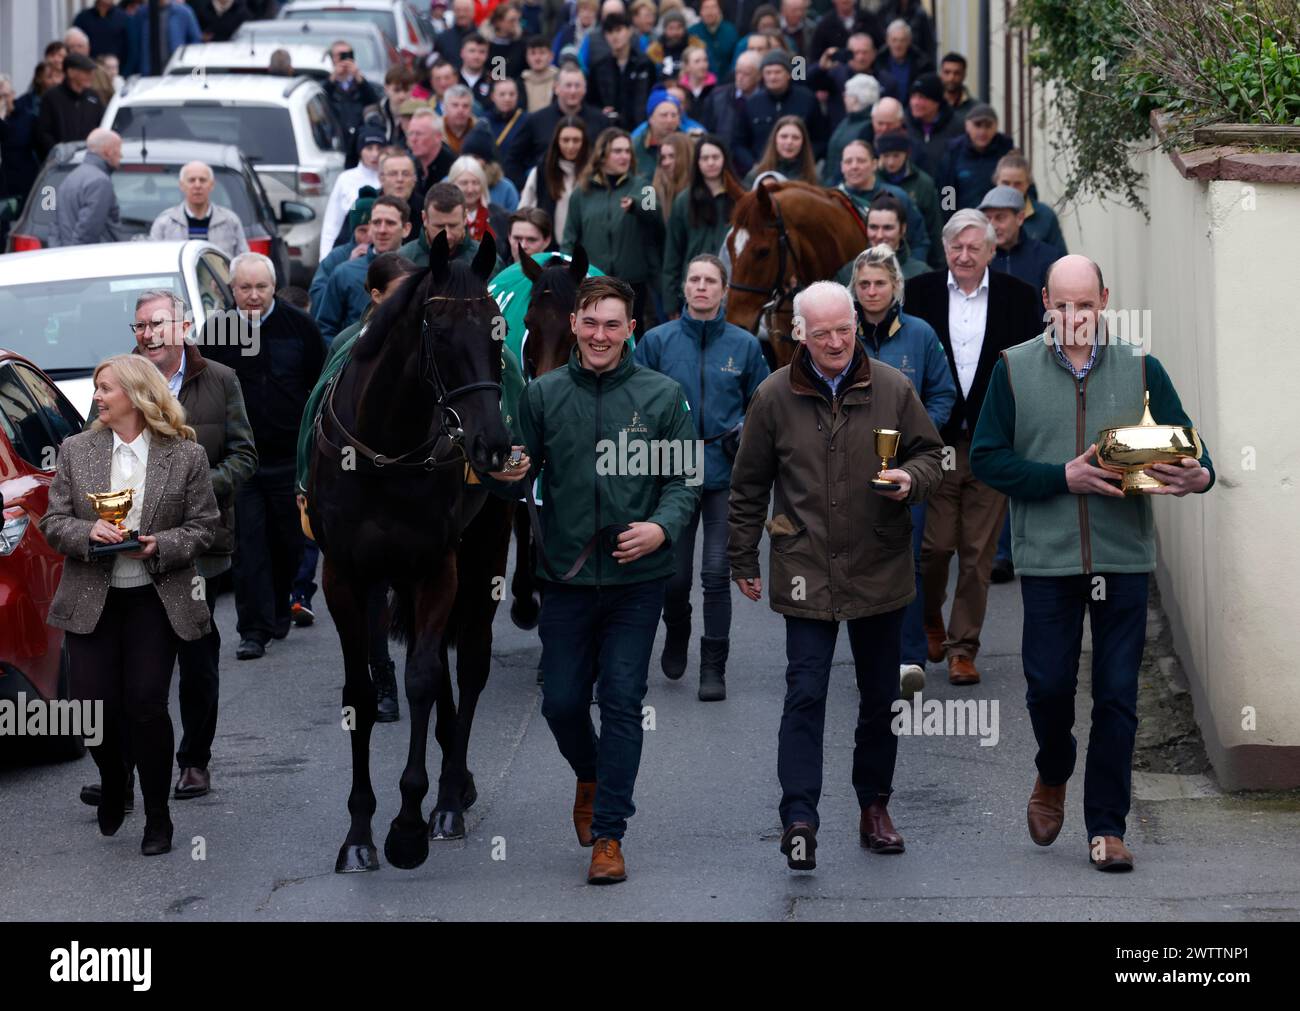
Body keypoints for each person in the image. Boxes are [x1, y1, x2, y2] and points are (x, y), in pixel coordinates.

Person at [970, 254, 1215, 871]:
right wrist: (1064, 477)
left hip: (1123, 559)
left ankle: (1106, 828)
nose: (1075, 317)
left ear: (1104, 300)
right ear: (1046, 303)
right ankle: (1053, 768)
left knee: (1117, 696)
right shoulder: (1013, 369)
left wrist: (1198, 474)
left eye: (1086, 304)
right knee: (1048, 686)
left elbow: (1187, 442)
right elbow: (987, 460)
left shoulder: (1141, 367)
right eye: (1063, 304)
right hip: (1049, 561)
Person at [485, 275, 701, 885]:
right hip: (566, 576)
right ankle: (591, 773)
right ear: (575, 325)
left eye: (613, 324)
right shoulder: (544, 395)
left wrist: (661, 528)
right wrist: (508, 469)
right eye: (591, 322)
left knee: (624, 702)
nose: (600, 334)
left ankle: (609, 835)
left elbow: (684, 480)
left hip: (638, 579)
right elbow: (519, 468)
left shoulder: (662, 396)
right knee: (560, 703)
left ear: (630, 329)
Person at [728, 280, 944, 871]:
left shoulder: (893, 389)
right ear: (799, 333)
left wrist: (911, 481)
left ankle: (875, 808)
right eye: (820, 332)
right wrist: (742, 557)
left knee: (880, 699)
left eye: (843, 329)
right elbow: (747, 486)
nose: (834, 341)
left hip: (879, 563)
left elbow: (933, 456)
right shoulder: (773, 397)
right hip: (805, 566)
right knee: (805, 694)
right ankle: (799, 816)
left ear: (856, 324)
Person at [40, 354, 219, 857]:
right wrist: (86, 531)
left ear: (137, 395)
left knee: (145, 705)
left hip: (155, 599)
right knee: (92, 710)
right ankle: (116, 779)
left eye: (105, 388)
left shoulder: (184, 455)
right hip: (92, 597)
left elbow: (204, 526)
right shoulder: (76, 450)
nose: (96, 396)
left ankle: (158, 816)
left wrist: (158, 544)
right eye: (96, 388)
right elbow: (53, 522)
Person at [902, 209, 1042, 685]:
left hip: (992, 443)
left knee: (977, 552)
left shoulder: (1019, 300)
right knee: (934, 548)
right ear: (944, 250)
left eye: (973, 247)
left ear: (991, 251)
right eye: (956, 248)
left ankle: (964, 648)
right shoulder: (917, 295)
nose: (964, 256)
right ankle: (930, 619)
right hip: (933, 443)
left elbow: (1030, 370)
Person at [133, 290, 256, 799]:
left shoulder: (220, 379)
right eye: (139, 326)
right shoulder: (122, 380)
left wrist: (199, 490)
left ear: (183, 327)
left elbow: (245, 457)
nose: (148, 334)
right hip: (138, 544)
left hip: (201, 545)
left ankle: (195, 761)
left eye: (157, 323)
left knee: (196, 655)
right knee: (139, 659)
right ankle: (129, 769)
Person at [635, 254, 767, 697]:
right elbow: (634, 399)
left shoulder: (745, 345)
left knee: (715, 572)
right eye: (694, 279)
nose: (702, 287)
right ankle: (677, 630)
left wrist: (746, 430)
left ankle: (714, 667)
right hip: (671, 471)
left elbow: (763, 405)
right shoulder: (656, 341)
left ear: (724, 289)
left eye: (711, 280)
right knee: (673, 577)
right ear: (685, 288)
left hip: (725, 472)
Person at [203, 253, 325, 660]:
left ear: (273, 288)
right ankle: (252, 629)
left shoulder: (301, 328)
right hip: (241, 462)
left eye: (261, 287)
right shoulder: (217, 332)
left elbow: (319, 389)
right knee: (249, 546)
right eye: (244, 288)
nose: (252, 296)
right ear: (232, 290)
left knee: (288, 544)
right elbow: (204, 395)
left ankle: (278, 608)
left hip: (290, 457)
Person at [850, 245, 955, 697]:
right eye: (864, 284)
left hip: (908, 466)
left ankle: (910, 658)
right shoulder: (842, 333)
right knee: (856, 559)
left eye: (880, 283)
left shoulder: (921, 334)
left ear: (897, 287)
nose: (872, 291)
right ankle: (871, 660)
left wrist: (916, 437)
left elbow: (944, 394)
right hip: (850, 466)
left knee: (908, 559)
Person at [562, 127, 663, 333]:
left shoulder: (644, 185)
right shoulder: (581, 192)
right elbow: (569, 237)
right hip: (593, 282)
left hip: (632, 283)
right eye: (617, 151)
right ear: (602, 155)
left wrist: (636, 205)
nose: (624, 156)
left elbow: (655, 212)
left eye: (627, 151)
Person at [663, 134, 743, 316]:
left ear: (724, 160)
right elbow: (672, 255)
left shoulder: (740, 198)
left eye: (715, 157)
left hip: (733, 291)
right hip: (694, 290)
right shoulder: (684, 200)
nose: (710, 162)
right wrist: (671, 304)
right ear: (697, 163)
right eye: (705, 158)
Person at [316, 196, 413, 341]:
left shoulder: (418, 270)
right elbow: (325, 328)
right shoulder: (344, 272)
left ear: (406, 229)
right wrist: (345, 359)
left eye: (390, 223)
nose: (382, 230)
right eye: (376, 222)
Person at [509, 64, 610, 190]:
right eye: (568, 85)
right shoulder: (536, 120)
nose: (573, 91)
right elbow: (513, 159)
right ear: (556, 88)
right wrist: (527, 187)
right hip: (546, 192)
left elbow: (607, 157)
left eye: (577, 86)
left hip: (589, 191)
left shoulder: (600, 121)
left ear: (585, 89)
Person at [835, 139, 930, 265]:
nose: (854, 166)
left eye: (861, 161)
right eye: (848, 161)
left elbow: (919, 242)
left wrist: (911, 273)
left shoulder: (897, 196)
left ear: (874, 164)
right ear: (841, 166)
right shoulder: (833, 199)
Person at [738, 49, 826, 164]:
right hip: (762, 168)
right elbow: (739, 142)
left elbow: (821, 139)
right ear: (762, 76)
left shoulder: (807, 99)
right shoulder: (752, 103)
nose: (773, 77)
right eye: (768, 73)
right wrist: (754, 165)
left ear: (788, 74)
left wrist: (806, 161)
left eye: (777, 72)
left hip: (800, 169)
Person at [149, 160, 250, 257]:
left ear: (212, 185)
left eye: (202, 180)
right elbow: (154, 260)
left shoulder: (230, 221)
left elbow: (243, 261)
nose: (197, 185)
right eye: (191, 180)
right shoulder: (165, 222)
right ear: (181, 185)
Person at [875, 129, 944, 269]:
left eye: (896, 156)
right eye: (886, 156)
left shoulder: (923, 183)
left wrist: (939, 265)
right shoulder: (873, 181)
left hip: (912, 255)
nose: (890, 162)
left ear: (906, 154)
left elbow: (934, 226)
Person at [317, 126, 386, 260]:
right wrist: (324, 258)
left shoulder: (390, 178)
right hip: (350, 253)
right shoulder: (346, 179)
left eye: (379, 148)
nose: (375, 154)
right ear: (360, 151)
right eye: (369, 148)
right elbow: (332, 223)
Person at [518, 117, 588, 245]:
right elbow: (524, 210)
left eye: (576, 140)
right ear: (557, 141)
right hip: (549, 247)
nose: (570, 146)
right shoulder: (541, 172)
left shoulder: (593, 174)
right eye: (565, 140)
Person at [938, 103, 1015, 217]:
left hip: (998, 220)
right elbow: (946, 189)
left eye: (988, 126)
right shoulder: (954, 152)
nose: (983, 132)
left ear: (996, 126)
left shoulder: (1006, 151)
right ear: (967, 126)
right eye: (977, 125)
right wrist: (949, 221)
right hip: (965, 220)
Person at [51, 127, 123, 247]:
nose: (121, 155)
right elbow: (89, 229)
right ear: (107, 151)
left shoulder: (70, 178)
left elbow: (55, 224)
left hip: (66, 255)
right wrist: (76, 254)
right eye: (118, 149)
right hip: (91, 258)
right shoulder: (100, 182)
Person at [981, 185, 1060, 293]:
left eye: (1000, 218)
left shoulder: (1048, 257)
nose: (992, 225)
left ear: (1020, 218)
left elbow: (1067, 302)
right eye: (987, 218)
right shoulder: (978, 258)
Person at [310, 188, 375, 309]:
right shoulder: (336, 257)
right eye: (362, 230)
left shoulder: (391, 253)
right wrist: (347, 269)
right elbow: (316, 297)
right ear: (353, 231)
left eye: (373, 229)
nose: (369, 236)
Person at [589, 13, 656, 131]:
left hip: (641, 129)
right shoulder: (599, 67)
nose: (614, 36)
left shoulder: (645, 64)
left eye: (618, 30)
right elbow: (591, 101)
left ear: (629, 31)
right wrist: (600, 112)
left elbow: (653, 95)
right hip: (608, 129)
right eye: (609, 32)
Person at [398, 181, 486, 269]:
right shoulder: (403, 261)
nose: (447, 235)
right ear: (424, 218)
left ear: (465, 218)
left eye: (453, 226)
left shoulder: (486, 259)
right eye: (439, 227)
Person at [699, 49, 760, 175]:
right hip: (722, 166)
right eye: (738, 72)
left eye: (746, 74)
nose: (740, 78)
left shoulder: (765, 100)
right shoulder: (716, 97)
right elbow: (708, 132)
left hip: (757, 167)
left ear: (759, 76)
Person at [994, 150, 1067, 255]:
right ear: (996, 181)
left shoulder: (1046, 216)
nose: (1011, 189)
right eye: (1005, 183)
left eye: (1017, 184)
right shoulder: (983, 216)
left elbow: (1061, 259)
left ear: (1028, 183)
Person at [35, 51, 104, 159]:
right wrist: (57, 152)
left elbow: (102, 126)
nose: (91, 76)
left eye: (91, 72)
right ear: (71, 72)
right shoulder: (51, 97)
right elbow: (44, 133)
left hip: (88, 159)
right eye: (86, 72)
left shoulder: (93, 98)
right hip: (61, 163)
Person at [324, 39, 382, 168]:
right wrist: (333, 77)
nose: (344, 59)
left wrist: (358, 77)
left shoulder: (362, 84)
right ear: (332, 59)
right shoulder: (328, 83)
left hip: (359, 140)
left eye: (347, 55)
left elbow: (373, 101)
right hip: (337, 142)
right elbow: (322, 100)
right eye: (340, 56)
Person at [823, 74, 880, 187]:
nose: (844, 97)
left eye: (847, 94)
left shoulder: (867, 127)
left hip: (846, 185)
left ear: (856, 98)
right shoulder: (847, 120)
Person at [905, 72, 963, 177]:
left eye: (922, 97)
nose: (916, 102)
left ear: (937, 102)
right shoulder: (903, 124)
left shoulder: (957, 126)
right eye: (913, 97)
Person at [448, 156, 509, 245]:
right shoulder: (443, 216)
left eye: (475, 183)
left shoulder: (500, 216)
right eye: (464, 183)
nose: (470, 189)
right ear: (452, 185)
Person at [743, 114, 816, 187]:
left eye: (795, 137)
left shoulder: (813, 178)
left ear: (803, 142)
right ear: (775, 140)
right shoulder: (756, 175)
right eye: (784, 136)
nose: (789, 142)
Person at [405, 108, 456, 211]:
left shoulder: (453, 168)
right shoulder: (411, 165)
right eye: (411, 134)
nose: (413, 140)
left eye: (419, 134)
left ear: (438, 136)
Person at [873, 18, 932, 101]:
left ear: (909, 41)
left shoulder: (922, 63)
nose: (898, 45)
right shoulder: (877, 61)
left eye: (902, 40)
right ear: (887, 41)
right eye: (894, 40)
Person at [812, 0, 884, 64]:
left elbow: (881, 46)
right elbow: (816, 56)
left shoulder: (869, 19)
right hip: (835, 74)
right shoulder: (825, 24)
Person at [378, 66, 415, 147]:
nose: (402, 96)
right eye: (397, 90)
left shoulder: (420, 114)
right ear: (386, 88)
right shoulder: (376, 112)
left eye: (406, 90)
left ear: (412, 89)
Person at [522, 34, 559, 112]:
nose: (537, 58)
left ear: (551, 56)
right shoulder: (521, 81)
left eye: (542, 53)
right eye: (533, 53)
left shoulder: (560, 79)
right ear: (526, 57)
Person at [440, 84, 479, 156]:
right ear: (445, 108)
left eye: (465, 106)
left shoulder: (481, 131)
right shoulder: (433, 130)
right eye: (455, 105)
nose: (460, 110)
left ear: (471, 109)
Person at [457, 32, 494, 106]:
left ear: (487, 55)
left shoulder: (493, 81)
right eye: (472, 51)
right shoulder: (452, 79)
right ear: (462, 53)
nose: (476, 56)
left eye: (482, 52)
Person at [940, 51, 977, 120]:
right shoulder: (931, 105)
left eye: (957, 73)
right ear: (941, 74)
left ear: (964, 75)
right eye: (947, 72)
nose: (951, 78)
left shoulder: (975, 109)